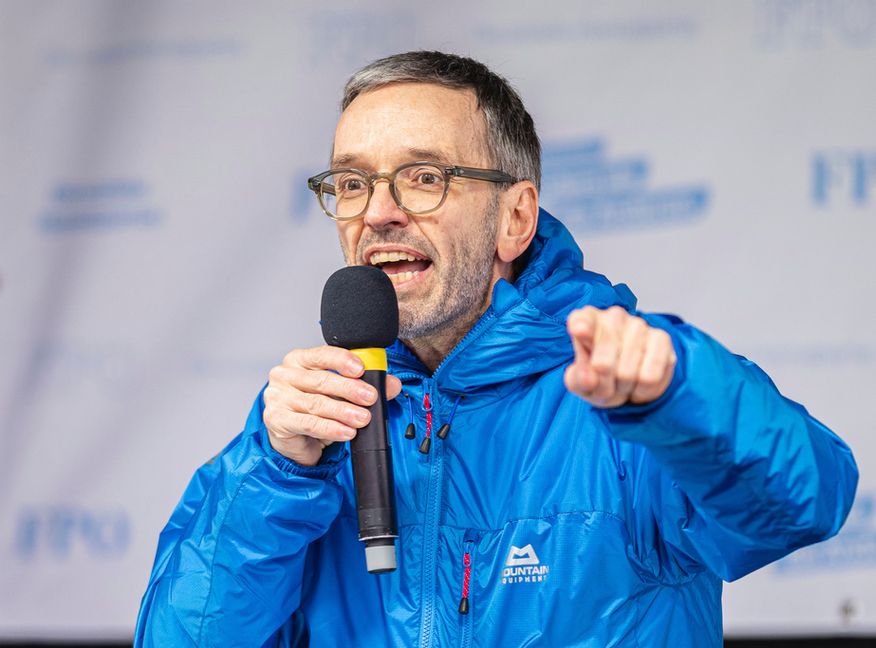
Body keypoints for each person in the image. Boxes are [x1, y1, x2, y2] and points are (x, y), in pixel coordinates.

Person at [134, 51, 857, 647]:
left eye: (424, 177)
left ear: (515, 219)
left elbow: (806, 503)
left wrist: (681, 395)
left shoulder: (624, 397)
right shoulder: (308, 436)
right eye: (352, 182)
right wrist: (272, 473)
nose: (378, 211)